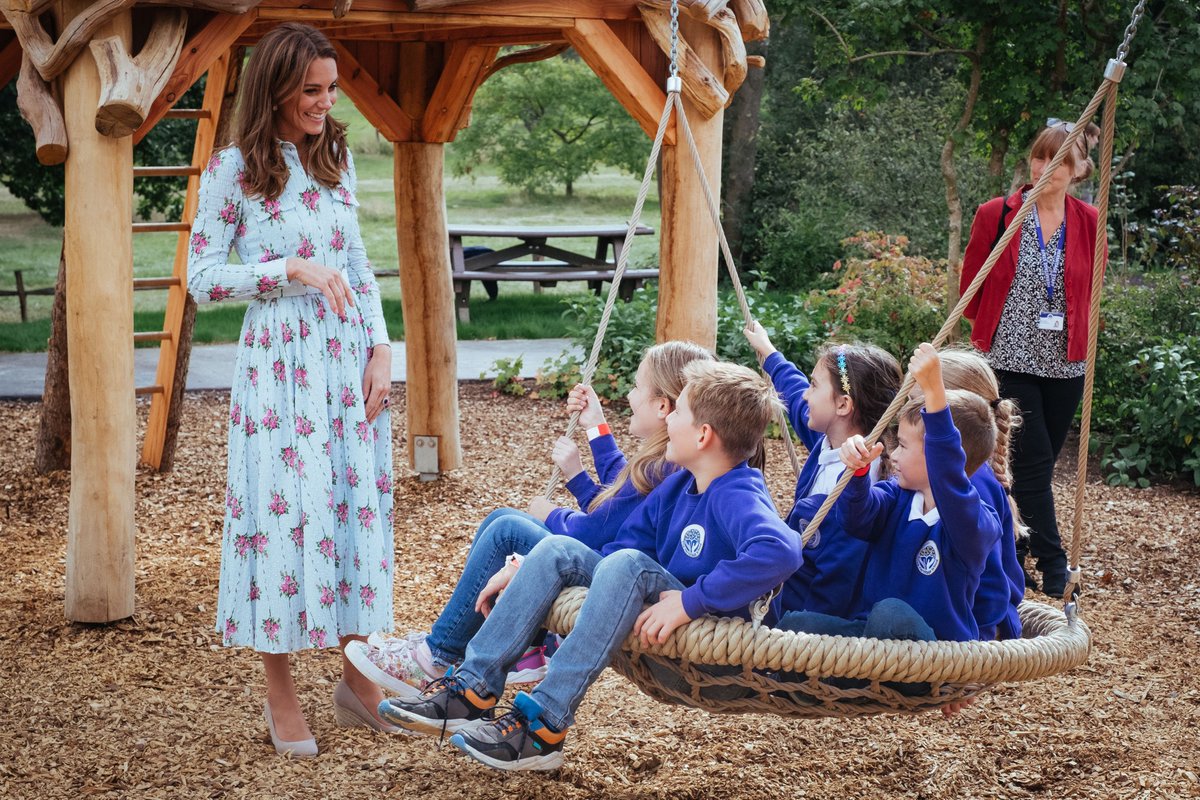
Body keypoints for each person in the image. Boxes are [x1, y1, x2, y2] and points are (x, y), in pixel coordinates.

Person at [379, 361, 803, 771]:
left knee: (628, 563)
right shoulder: (679, 483)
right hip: (662, 619)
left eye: (679, 413)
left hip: (711, 652)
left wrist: (692, 601)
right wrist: (523, 567)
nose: (669, 420)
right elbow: (616, 539)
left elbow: (781, 551)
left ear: (703, 435)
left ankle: (543, 725)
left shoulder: (738, 493)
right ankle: (473, 689)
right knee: (559, 548)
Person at [186, 22, 396, 757]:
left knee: (352, 509)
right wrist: (289, 273)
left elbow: (362, 263)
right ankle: (281, 694)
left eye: (331, 89)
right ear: (274, 86)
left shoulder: (335, 154)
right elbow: (202, 277)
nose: (324, 102)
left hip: (345, 365)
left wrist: (380, 348)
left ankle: (358, 681)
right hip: (279, 369)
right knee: (280, 520)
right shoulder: (230, 171)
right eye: (310, 90)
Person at [345, 342, 713, 696]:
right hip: (610, 561)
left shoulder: (665, 465)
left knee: (506, 529)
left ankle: (436, 656)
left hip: (611, 574)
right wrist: (595, 430)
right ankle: (477, 644)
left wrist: (553, 513)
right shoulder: (662, 461)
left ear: (664, 406)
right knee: (500, 520)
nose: (630, 395)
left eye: (636, 387)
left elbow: (599, 527)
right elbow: (625, 492)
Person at [959, 119, 1105, 598]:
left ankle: (1014, 550)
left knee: (1029, 466)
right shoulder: (998, 214)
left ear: (1077, 168)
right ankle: (1054, 562)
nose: (1046, 167)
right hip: (1012, 356)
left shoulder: (1087, 219)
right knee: (1035, 461)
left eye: (1059, 159)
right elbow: (972, 281)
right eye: (1040, 157)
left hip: (1066, 362)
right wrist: (989, 330)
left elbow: (1090, 288)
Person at [778, 344, 1001, 643]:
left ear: (938, 456)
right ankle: (809, 682)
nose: (893, 454)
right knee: (796, 624)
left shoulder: (972, 523)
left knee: (891, 613)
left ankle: (847, 678)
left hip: (938, 653)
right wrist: (857, 474)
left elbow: (949, 475)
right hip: (872, 639)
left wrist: (935, 393)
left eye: (904, 446)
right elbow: (857, 520)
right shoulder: (897, 496)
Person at [743, 324, 902, 617]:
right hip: (793, 588)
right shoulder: (829, 439)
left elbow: (839, 581)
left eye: (814, 386)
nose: (806, 395)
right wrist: (768, 352)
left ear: (843, 405)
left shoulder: (858, 487)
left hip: (811, 622)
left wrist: (794, 635)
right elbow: (794, 392)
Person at [938, 348, 1026, 640]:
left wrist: (978, 637)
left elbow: (994, 583)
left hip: (979, 625)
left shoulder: (975, 483)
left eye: (918, 403)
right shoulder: (947, 475)